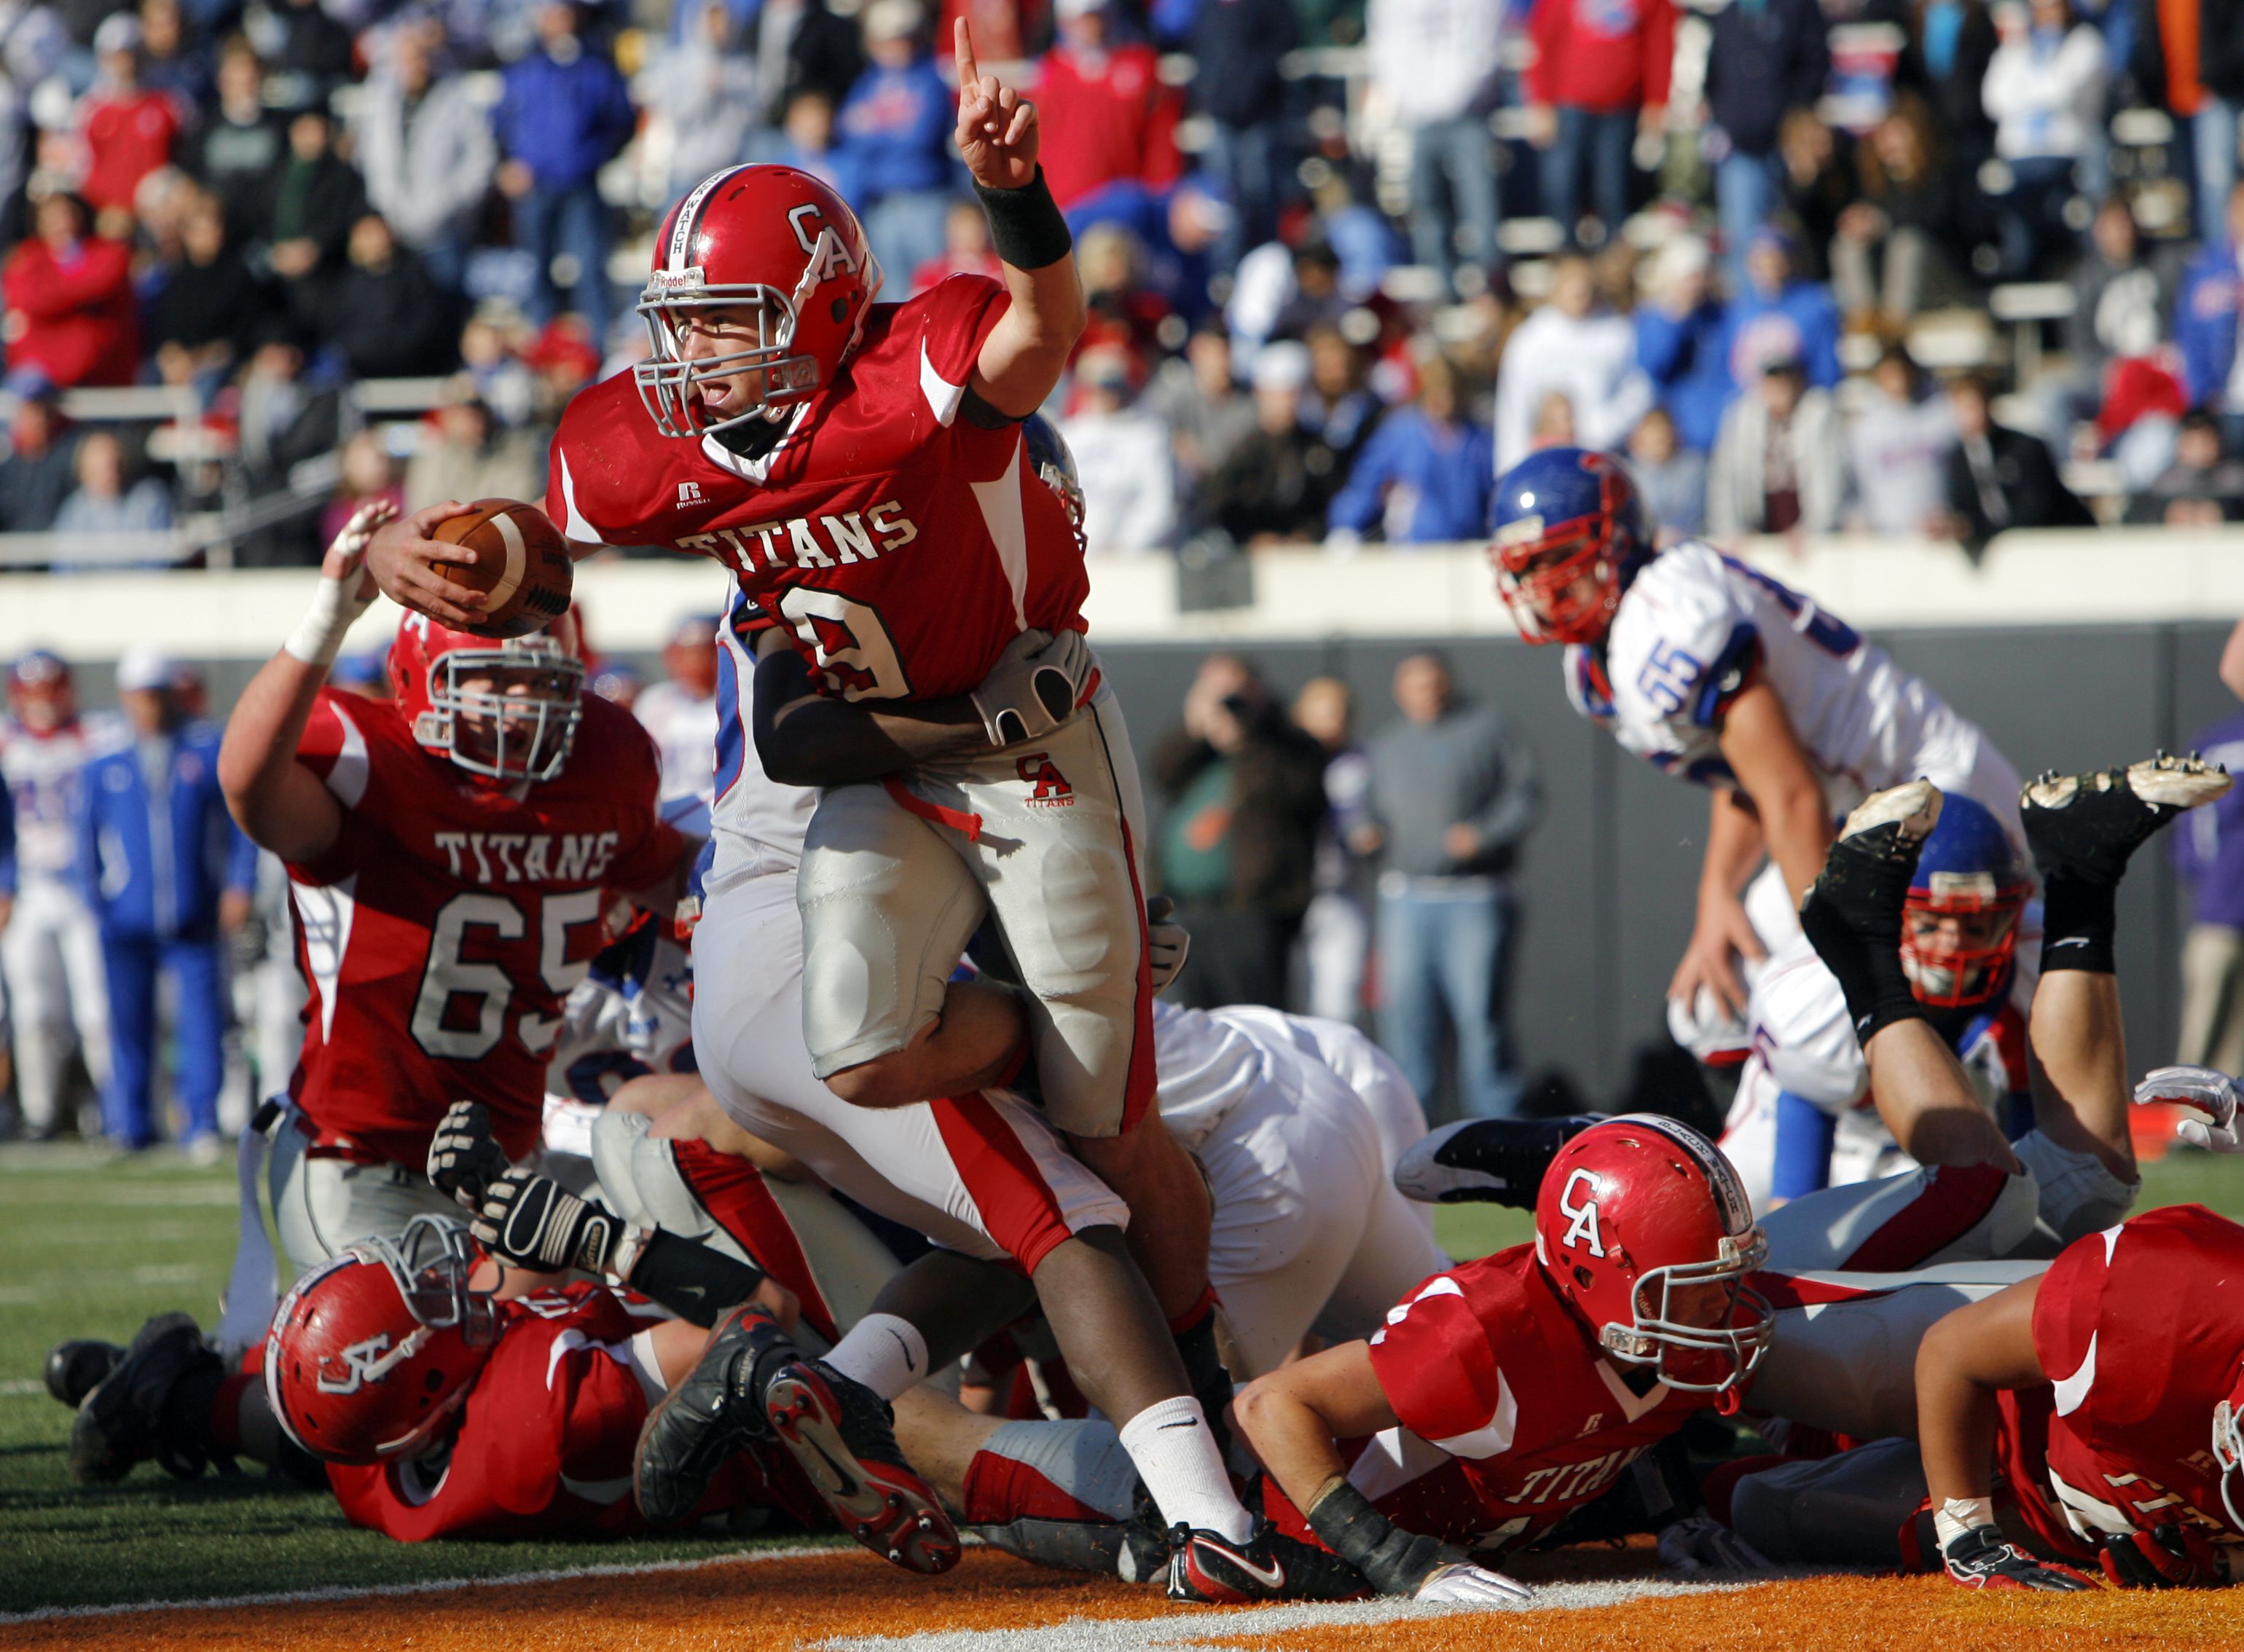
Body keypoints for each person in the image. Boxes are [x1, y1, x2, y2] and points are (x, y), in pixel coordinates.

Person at [363, 52, 1272, 1598]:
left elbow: (1042, 329)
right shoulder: (679, 457)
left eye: (721, 322)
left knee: (1092, 1145)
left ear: (818, 310)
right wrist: (396, 537)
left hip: (1005, 763)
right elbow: (559, 557)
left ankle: (968, 1399)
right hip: (859, 797)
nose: (693, 356)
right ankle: (1190, 1486)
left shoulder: (920, 398)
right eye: (686, 325)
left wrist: (1011, 194)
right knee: (1024, 1140)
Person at [213, 507, 691, 1268]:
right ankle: (189, 1392)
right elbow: (246, 781)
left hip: (509, 1166)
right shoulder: (377, 766)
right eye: (490, 683)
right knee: (395, 1379)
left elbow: (667, 871)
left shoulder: (598, 767)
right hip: (361, 1155)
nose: (517, 709)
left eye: (539, 686)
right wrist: (329, 615)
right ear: (415, 680)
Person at [1491, 447, 2027, 1031]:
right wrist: (1717, 894)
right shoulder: (1596, 664)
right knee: (1710, 1014)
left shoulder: (1667, 615)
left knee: (1908, 1002)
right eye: (1525, 570)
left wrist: (1844, 967)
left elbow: (1790, 792)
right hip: (1839, 810)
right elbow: (1749, 772)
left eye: (1557, 560)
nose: (1540, 590)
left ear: (1617, 540)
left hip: (1924, 788)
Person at [1233, 1114, 1766, 1604]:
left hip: (1506, 1523)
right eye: (1693, 1282)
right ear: (1598, 1274)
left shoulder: (1677, 1326)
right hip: (1299, 1543)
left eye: (1723, 1276)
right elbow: (1268, 1403)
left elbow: (1641, 1412)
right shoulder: (1478, 1337)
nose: (1720, 1303)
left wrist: (1676, 1509)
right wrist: (1386, 1553)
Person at [75, 645, 256, 1156]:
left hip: (192, 911)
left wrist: (238, 884)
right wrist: (95, 901)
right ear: (126, 698)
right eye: (141, 695)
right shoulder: (105, 762)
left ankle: (198, 1119)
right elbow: (84, 840)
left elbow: (239, 828)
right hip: (125, 916)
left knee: (201, 1022)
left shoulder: (202, 752)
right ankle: (129, 1122)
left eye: (157, 694)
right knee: (127, 1024)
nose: (149, 706)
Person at [1357, 651, 1538, 1122]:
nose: (1426, 694)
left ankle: (1500, 1138)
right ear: (1400, 691)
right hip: (1407, 897)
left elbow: (1525, 796)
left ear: (1449, 684)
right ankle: (1410, 1139)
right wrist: (1366, 829)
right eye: (1415, 685)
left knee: (1482, 1024)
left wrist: (1482, 834)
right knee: (1407, 1025)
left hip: (1474, 896)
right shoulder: (1388, 744)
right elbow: (1366, 809)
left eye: (1433, 683)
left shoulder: (1488, 729)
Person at [1150, 653, 1331, 1011]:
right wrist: (1194, 728)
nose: (1223, 703)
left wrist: (1245, 739)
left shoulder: (1288, 745)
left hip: (1253, 911)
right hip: (1189, 912)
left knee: (1254, 1019)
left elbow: (1291, 795)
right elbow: (1161, 772)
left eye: (1232, 692)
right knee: (1195, 1022)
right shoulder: (1199, 753)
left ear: (1257, 692)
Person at [0, 650, 111, 1141]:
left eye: (51, 689)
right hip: (27, 889)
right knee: (34, 1012)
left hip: (84, 887)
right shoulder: (8, 742)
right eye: (33, 691)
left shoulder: (96, 737)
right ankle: (40, 1114)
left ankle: (115, 1107)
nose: (43, 701)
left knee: (97, 1011)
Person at [493, 0, 637, 337]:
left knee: (591, 271)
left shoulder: (596, 67)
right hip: (535, 186)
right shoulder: (523, 69)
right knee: (535, 271)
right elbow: (498, 125)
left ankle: (599, 352)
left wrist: (593, 157)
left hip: (581, 185)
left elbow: (622, 121)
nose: (559, 21)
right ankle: (542, 353)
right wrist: (508, 165)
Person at [349, 18, 497, 295]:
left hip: (444, 232)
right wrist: (384, 205)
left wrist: (447, 203)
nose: (413, 65)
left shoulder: (455, 99)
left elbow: (480, 161)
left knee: (445, 307)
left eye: (419, 56)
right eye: (405, 58)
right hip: (394, 232)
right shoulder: (382, 105)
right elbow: (369, 159)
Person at [1366, 0, 1500, 293]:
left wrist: (1463, 93)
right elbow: (1385, 43)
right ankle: (1444, 283)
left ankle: (1491, 283)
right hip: (1418, 114)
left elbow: (1486, 40)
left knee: (1479, 199)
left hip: (1468, 110)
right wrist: (1407, 98)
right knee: (1426, 201)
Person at [1700, 0, 1828, 290]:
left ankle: (1796, 307)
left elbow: (1815, 62)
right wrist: (1726, 117)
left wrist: (1791, 112)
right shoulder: (1730, 13)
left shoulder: (1797, 10)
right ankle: (1750, 311)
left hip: (1788, 142)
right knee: (1743, 233)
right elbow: (1715, 73)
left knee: (1790, 231)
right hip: (1740, 144)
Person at [1523, 0, 1673, 245]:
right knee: (1562, 186)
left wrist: (1657, 101)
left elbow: (1659, 44)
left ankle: (1612, 267)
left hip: (1622, 105)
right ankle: (1570, 262)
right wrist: (1540, 100)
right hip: (1568, 104)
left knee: (1612, 191)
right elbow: (1544, 39)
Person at [1491, 253, 1652, 474]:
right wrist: (1511, 470)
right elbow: (1514, 410)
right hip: (1545, 463)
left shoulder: (1618, 331)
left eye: (1584, 287)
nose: (1579, 295)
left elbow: (1638, 391)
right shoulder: (1530, 339)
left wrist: (1603, 428)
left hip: (1603, 460)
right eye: (1571, 286)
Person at [1980, 0, 2105, 280]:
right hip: (2020, 156)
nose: (2047, 15)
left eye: (2054, 7)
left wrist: (2025, 98)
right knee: (2013, 206)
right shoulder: (2016, 48)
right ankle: (2020, 272)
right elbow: (1994, 100)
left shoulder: (2085, 43)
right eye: (2041, 8)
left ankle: (2080, 262)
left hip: (2065, 153)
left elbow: (2065, 92)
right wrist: (2041, 98)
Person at [838, 0, 957, 286]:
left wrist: (874, 130)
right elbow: (847, 134)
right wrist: (893, 131)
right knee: (889, 292)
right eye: (888, 40)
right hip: (880, 205)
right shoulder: (866, 83)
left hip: (925, 202)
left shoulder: (931, 80)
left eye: (902, 38)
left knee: (934, 287)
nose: (896, 46)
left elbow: (920, 138)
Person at [1033, 0, 1184, 214]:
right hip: (1063, 208)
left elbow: (1161, 143)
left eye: (1095, 16)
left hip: (1121, 210)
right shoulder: (1049, 75)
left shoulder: (1141, 68)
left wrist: (1159, 200)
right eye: (1081, 19)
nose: (1089, 26)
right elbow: (1041, 145)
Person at [1325, 358, 1493, 546]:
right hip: (1413, 547)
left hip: (1466, 544)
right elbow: (1367, 481)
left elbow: (1490, 491)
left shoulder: (1477, 440)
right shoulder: (1402, 431)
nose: (1445, 400)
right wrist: (1345, 524)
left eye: (1451, 392)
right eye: (1438, 391)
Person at [1937, 370, 2095, 554]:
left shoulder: (2025, 447)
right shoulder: (1957, 458)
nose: (1971, 414)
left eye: (1974, 405)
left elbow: (2036, 508)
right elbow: (1964, 508)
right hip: (2006, 553)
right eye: (1963, 408)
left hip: (2057, 544)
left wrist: (1987, 534)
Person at [1292, 674, 1373, 1025]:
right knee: (1286, 1006)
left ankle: (1331, 1079)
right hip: (1290, 895)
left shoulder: (1362, 764)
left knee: (1338, 1006)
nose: (1333, 722)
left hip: (1341, 891)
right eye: (1323, 713)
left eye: (1341, 714)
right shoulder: (1284, 762)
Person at [1, 193, 138, 390]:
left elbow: (104, 281)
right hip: (40, 370)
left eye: (66, 214)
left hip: (103, 369)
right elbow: (30, 299)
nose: (61, 224)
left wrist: (54, 290)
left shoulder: (107, 254)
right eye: (51, 218)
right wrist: (79, 293)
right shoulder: (28, 258)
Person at [2173, 698, 2244, 1074]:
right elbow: (2192, 836)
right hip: (2223, 917)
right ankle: (2189, 1124)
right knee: (2206, 1029)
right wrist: (2221, 883)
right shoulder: (2223, 744)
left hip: (2223, 906)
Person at [1704, 352, 1843, 539]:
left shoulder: (1818, 414)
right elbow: (1725, 477)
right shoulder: (1743, 416)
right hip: (1757, 526)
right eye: (1775, 380)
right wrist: (1732, 531)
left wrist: (1813, 529)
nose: (1782, 387)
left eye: (1787, 380)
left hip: (1805, 532)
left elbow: (1828, 479)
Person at [1057, 343, 1177, 554]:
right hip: (1074, 554)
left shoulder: (1147, 436)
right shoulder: (1067, 435)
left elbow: (1158, 504)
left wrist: (1124, 546)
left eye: (1111, 385)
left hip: (1128, 557)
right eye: (1096, 386)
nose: (1105, 394)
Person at [1846, 345, 1956, 537]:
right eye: (1890, 374)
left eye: (1902, 372)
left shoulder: (1941, 415)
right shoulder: (1866, 427)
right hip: (1888, 536)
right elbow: (1857, 482)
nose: (1898, 381)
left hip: (1938, 532)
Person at [634, 612, 722, 804]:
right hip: (666, 807)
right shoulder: (655, 701)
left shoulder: (734, 701)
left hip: (716, 808)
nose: (693, 660)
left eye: (702, 651)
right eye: (685, 651)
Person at [52, 430, 173, 543]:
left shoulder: (149, 499)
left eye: (114, 465)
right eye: (100, 469)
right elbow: (65, 561)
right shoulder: (74, 511)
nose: (109, 475)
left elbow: (158, 555)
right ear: (83, 472)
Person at [0, 382, 82, 532]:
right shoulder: (6, 469)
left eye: (44, 411)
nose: (39, 419)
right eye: (31, 411)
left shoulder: (70, 459)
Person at [1625, 406, 1706, 537]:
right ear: (1638, 438)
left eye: (1663, 430)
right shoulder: (1627, 474)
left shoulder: (1693, 467)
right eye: (1652, 431)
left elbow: (1694, 515)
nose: (1659, 437)